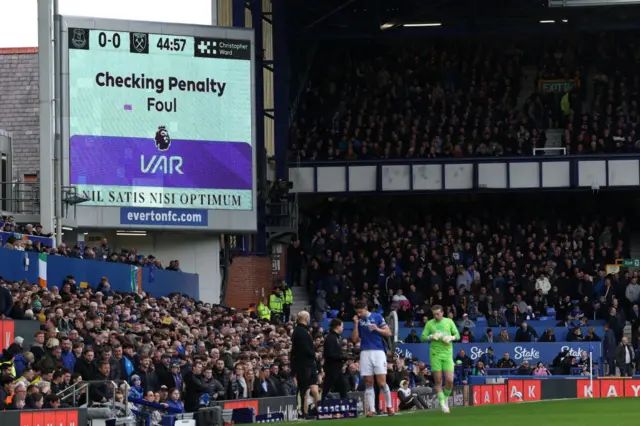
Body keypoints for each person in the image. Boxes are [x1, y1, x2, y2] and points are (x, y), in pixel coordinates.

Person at [351, 301, 394, 416]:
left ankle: (389, 406)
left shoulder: (377, 317)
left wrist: (376, 329)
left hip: (378, 352)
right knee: (368, 382)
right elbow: (354, 339)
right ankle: (372, 409)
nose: (359, 314)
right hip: (365, 352)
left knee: (381, 382)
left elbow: (388, 332)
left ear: (365, 309)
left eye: (360, 312)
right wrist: (355, 324)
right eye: (357, 312)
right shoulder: (359, 321)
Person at [420, 305, 460, 414]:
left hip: (447, 354)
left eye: (438, 314)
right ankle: (442, 403)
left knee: (450, 380)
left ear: (442, 312)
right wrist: (431, 337)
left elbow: (457, 335)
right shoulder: (430, 324)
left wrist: (451, 337)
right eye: (434, 314)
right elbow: (422, 337)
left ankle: (445, 397)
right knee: (438, 380)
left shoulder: (449, 322)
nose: (436, 316)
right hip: (435, 354)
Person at [290, 311, 319, 418]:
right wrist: (313, 353)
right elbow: (303, 348)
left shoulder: (304, 330)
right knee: (304, 390)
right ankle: (303, 412)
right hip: (303, 365)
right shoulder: (299, 331)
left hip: (310, 364)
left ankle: (317, 410)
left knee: (315, 390)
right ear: (306, 318)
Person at [322, 318, 349, 399]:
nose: (343, 328)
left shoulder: (337, 337)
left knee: (343, 386)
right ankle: (320, 402)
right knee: (327, 387)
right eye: (342, 326)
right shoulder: (330, 338)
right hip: (331, 368)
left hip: (337, 367)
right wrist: (342, 357)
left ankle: (345, 405)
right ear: (338, 326)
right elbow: (329, 354)